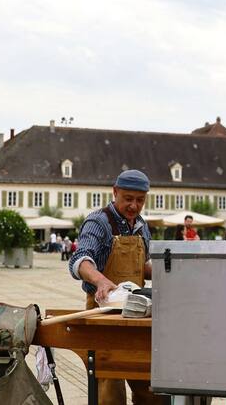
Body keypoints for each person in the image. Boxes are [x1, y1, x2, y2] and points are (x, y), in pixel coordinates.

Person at [69, 169, 159, 405]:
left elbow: (142, 266)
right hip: (104, 318)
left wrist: (168, 274)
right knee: (110, 392)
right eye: (128, 198)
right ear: (115, 192)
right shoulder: (98, 222)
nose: (134, 206)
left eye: (140, 200)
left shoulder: (141, 226)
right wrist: (100, 280)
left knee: (150, 387)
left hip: (137, 316)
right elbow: (80, 260)